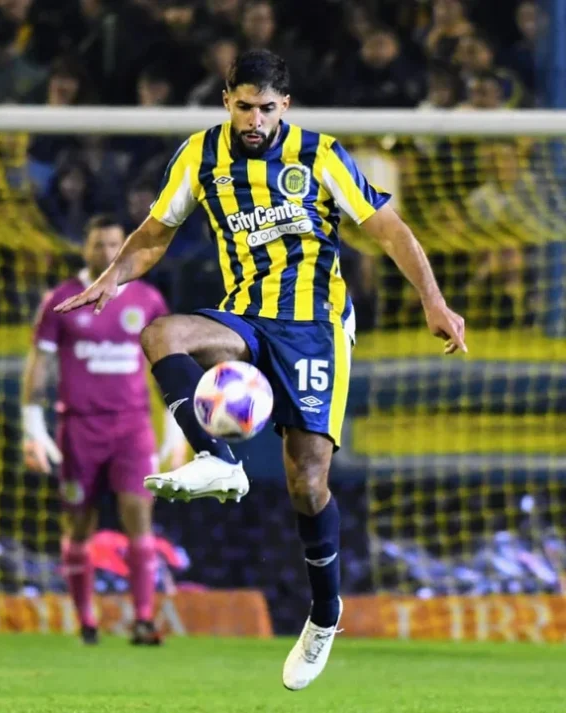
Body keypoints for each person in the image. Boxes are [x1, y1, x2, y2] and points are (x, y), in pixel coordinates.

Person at [54, 50, 466, 691]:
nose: (254, 120)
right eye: (244, 106)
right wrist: (114, 276)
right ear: (226, 100)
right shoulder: (200, 156)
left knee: (307, 482)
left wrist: (433, 301)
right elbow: (157, 232)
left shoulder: (319, 155)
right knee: (160, 333)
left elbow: (388, 229)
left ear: (285, 107)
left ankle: (324, 615)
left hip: (315, 329)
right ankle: (217, 458)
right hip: (245, 318)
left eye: (266, 108)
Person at [22, 215, 184, 646]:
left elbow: (167, 367)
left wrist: (176, 430)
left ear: (125, 247)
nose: (108, 253)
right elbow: (40, 365)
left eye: (115, 244)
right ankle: (86, 621)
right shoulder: (62, 300)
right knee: (78, 525)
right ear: (85, 248)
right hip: (79, 428)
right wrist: (32, 427)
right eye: (99, 245)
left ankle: (144, 619)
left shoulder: (147, 299)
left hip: (132, 428)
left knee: (139, 517)